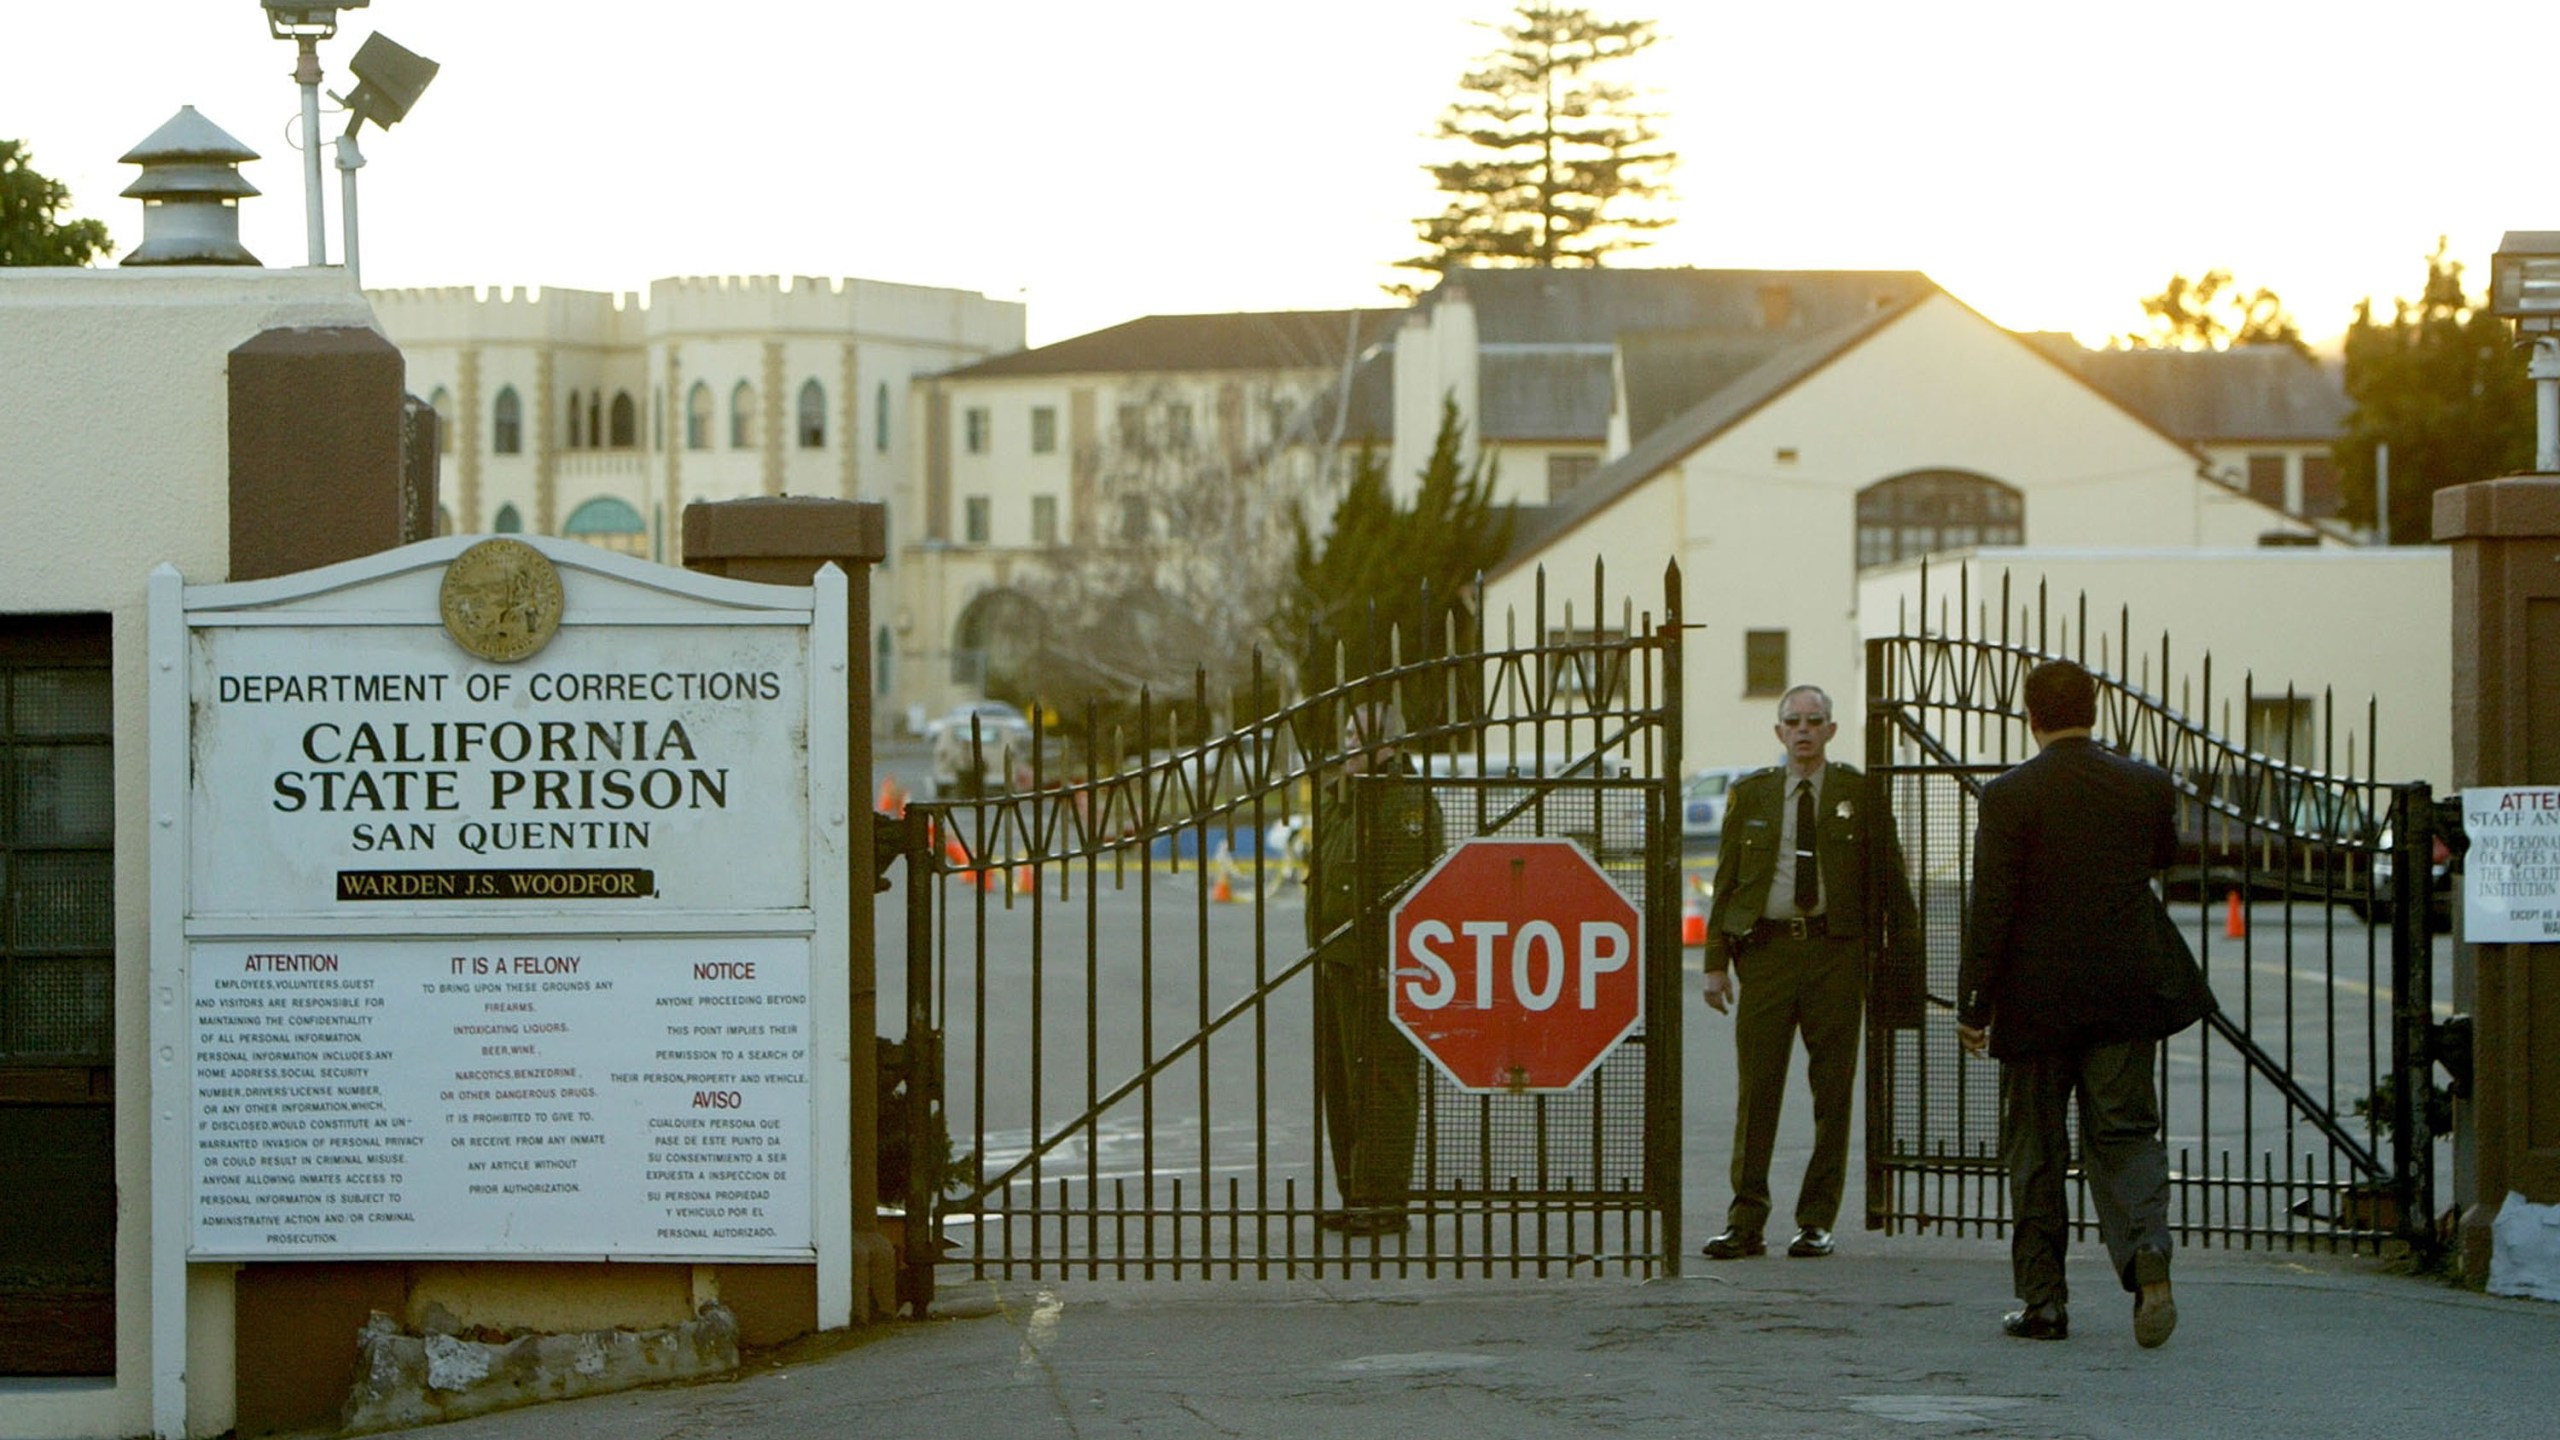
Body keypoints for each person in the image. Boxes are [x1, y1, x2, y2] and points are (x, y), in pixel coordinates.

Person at [1956, 658, 2210, 1348]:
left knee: (2036, 1151)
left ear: (2029, 716)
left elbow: (1992, 907)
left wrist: (1974, 1004)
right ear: (2094, 711)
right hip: (2127, 989)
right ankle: (2147, 1256)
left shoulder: (2010, 795)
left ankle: (2044, 1303)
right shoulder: (2147, 785)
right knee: (2126, 1135)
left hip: (2037, 999)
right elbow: (2163, 857)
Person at [1698, 685, 1920, 1261]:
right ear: (1778, 733)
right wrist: (1715, 965)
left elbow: (1890, 881)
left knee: (1832, 1092)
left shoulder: (1858, 793)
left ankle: (1816, 1219)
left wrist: (1901, 967)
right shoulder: (1753, 794)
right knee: (1759, 1090)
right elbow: (1727, 883)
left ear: (1830, 731)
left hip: (1834, 954)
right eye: (1792, 721)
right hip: (1768, 955)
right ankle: (1745, 1220)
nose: (1803, 730)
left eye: (1814, 721)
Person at [1307, 700, 1443, 1235]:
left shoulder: (1405, 800)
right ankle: (1356, 1192)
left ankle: (1385, 1200)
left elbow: (1411, 890)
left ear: (1387, 744)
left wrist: (1393, 959)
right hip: (1337, 959)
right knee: (1342, 1086)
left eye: (1354, 736)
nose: (1344, 745)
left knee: (1383, 1082)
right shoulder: (1340, 797)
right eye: (1343, 732)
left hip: (1381, 967)